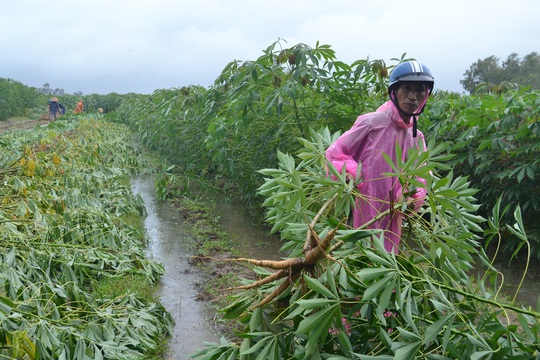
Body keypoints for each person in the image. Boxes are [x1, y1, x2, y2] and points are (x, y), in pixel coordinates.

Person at [325, 61, 434, 254]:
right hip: (362, 206)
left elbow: (422, 174)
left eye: (419, 91)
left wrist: (413, 197)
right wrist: (348, 173)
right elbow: (336, 153)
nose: (412, 97)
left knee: (385, 264)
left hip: (393, 213)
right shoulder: (371, 122)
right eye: (406, 89)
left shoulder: (416, 135)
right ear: (394, 92)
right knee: (357, 260)